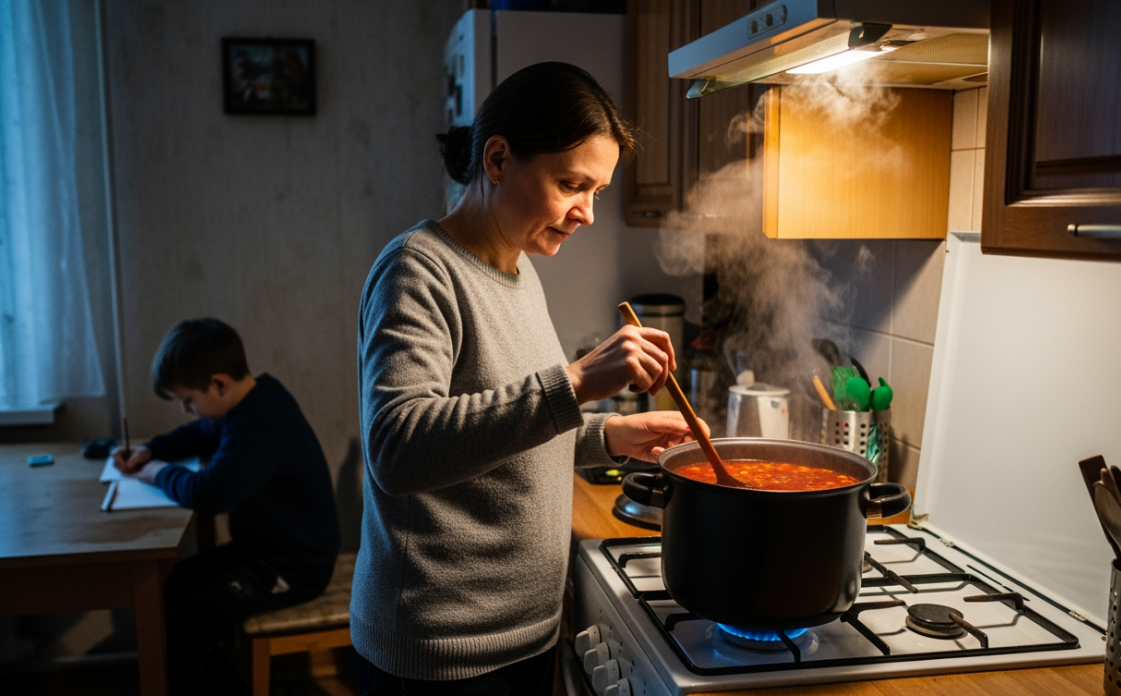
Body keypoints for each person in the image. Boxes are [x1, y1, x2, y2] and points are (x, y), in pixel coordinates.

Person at [354, 62, 699, 695]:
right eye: (572, 183)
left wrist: (610, 436)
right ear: (497, 159)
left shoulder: (518, 272)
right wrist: (573, 382)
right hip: (441, 653)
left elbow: (502, 427)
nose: (587, 213)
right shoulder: (418, 270)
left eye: (597, 191)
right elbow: (398, 449)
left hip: (526, 634)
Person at [115, 318, 339, 696]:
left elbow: (210, 494)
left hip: (293, 567)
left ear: (218, 384)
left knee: (177, 625)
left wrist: (156, 472)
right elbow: (201, 430)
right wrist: (153, 450)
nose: (187, 409)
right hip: (261, 552)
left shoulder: (259, 422)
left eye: (188, 400)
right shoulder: (250, 401)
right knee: (168, 589)